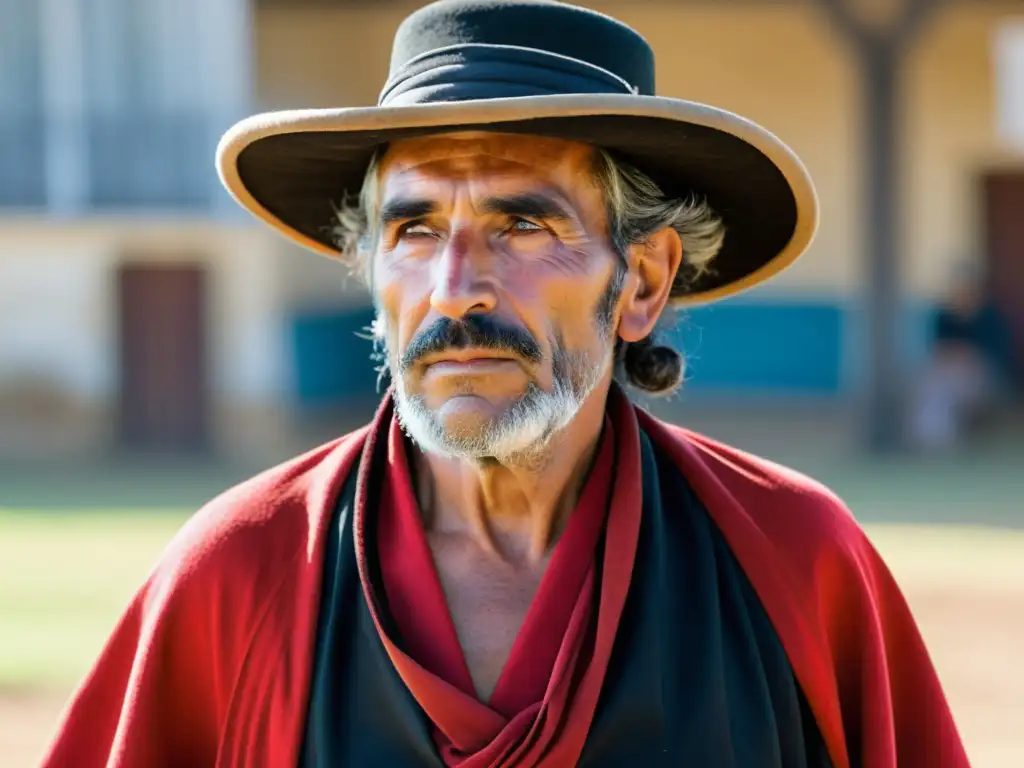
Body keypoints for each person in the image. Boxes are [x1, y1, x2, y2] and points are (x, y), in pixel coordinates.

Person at [43, 2, 968, 766]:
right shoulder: (240, 574)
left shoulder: (796, 564)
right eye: (411, 232)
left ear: (641, 281)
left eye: (521, 225)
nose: (455, 288)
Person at [910, 265, 1012, 451]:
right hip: (947, 375)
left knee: (949, 383)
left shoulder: (989, 316)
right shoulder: (944, 315)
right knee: (933, 385)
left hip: (980, 377)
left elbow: (995, 355)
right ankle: (933, 441)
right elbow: (939, 349)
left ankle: (939, 440)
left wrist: (967, 356)